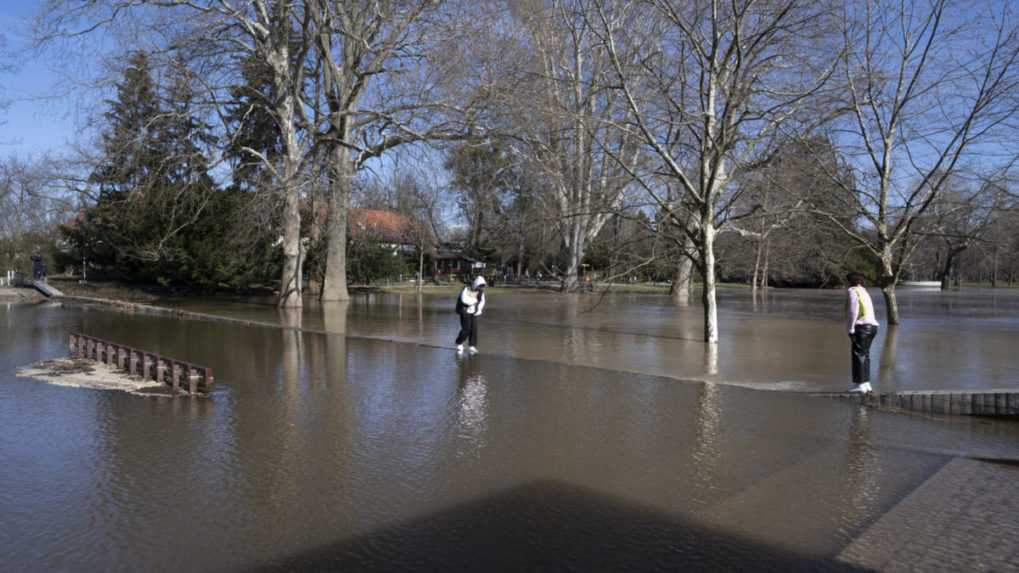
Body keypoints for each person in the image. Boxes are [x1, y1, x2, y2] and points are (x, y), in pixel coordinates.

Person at [846, 272, 879, 393]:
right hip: (873, 327)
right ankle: (866, 384)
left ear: (850, 281)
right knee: (865, 355)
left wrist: (851, 328)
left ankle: (859, 386)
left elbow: (853, 310)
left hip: (862, 326)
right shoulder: (864, 291)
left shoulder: (853, 290)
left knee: (858, 355)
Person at [455, 276, 486, 355]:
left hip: (474, 312)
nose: (481, 288)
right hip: (464, 311)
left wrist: (479, 309)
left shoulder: (481, 292)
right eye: (480, 286)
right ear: (476, 284)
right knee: (466, 329)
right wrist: (474, 301)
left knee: (474, 329)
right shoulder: (466, 289)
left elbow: (482, 301)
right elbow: (464, 300)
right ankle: (459, 343)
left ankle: (472, 346)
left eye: (482, 286)